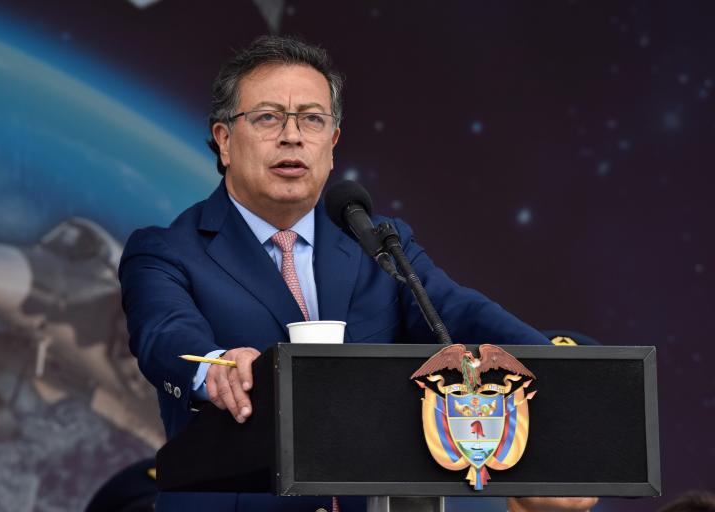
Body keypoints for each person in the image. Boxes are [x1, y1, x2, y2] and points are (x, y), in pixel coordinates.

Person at [119, 35, 597, 512]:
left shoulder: (380, 243)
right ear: (224, 140)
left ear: (332, 144)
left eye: (312, 119)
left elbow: (458, 312)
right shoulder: (167, 250)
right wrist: (214, 366)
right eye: (268, 118)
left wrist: (560, 371)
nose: (292, 136)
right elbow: (165, 332)